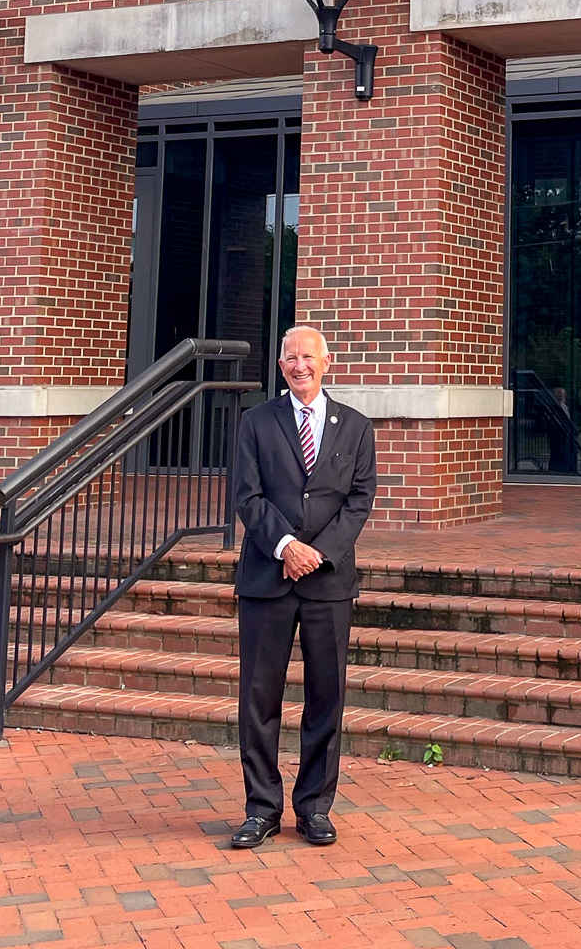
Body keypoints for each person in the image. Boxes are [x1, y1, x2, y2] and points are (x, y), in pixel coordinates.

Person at [229, 325, 376, 849]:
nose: (299, 365)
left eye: (308, 357)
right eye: (290, 357)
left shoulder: (356, 427)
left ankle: (314, 807)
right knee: (258, 698)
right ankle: (261, 808)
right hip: (267, 579)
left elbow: (359, 500)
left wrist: (318, 553)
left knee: (325, 698)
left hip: (329, 583)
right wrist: (286, 546)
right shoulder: (256, 422)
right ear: (281, 365)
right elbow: (248, 496)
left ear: (327, 361)